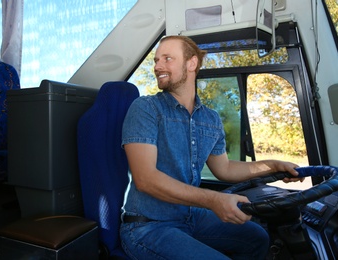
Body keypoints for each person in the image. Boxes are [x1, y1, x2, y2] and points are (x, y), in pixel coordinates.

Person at [120, 35, 302, 260]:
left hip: (190, 217)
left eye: (167, 59)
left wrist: (273, 165)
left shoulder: (210, 119)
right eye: (157, 60)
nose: (158, 66)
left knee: (258, 238)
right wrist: (213, 200)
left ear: (192, 63)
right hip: (147, 227)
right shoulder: (145, 108)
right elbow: (145, 179)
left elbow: (224, 169)